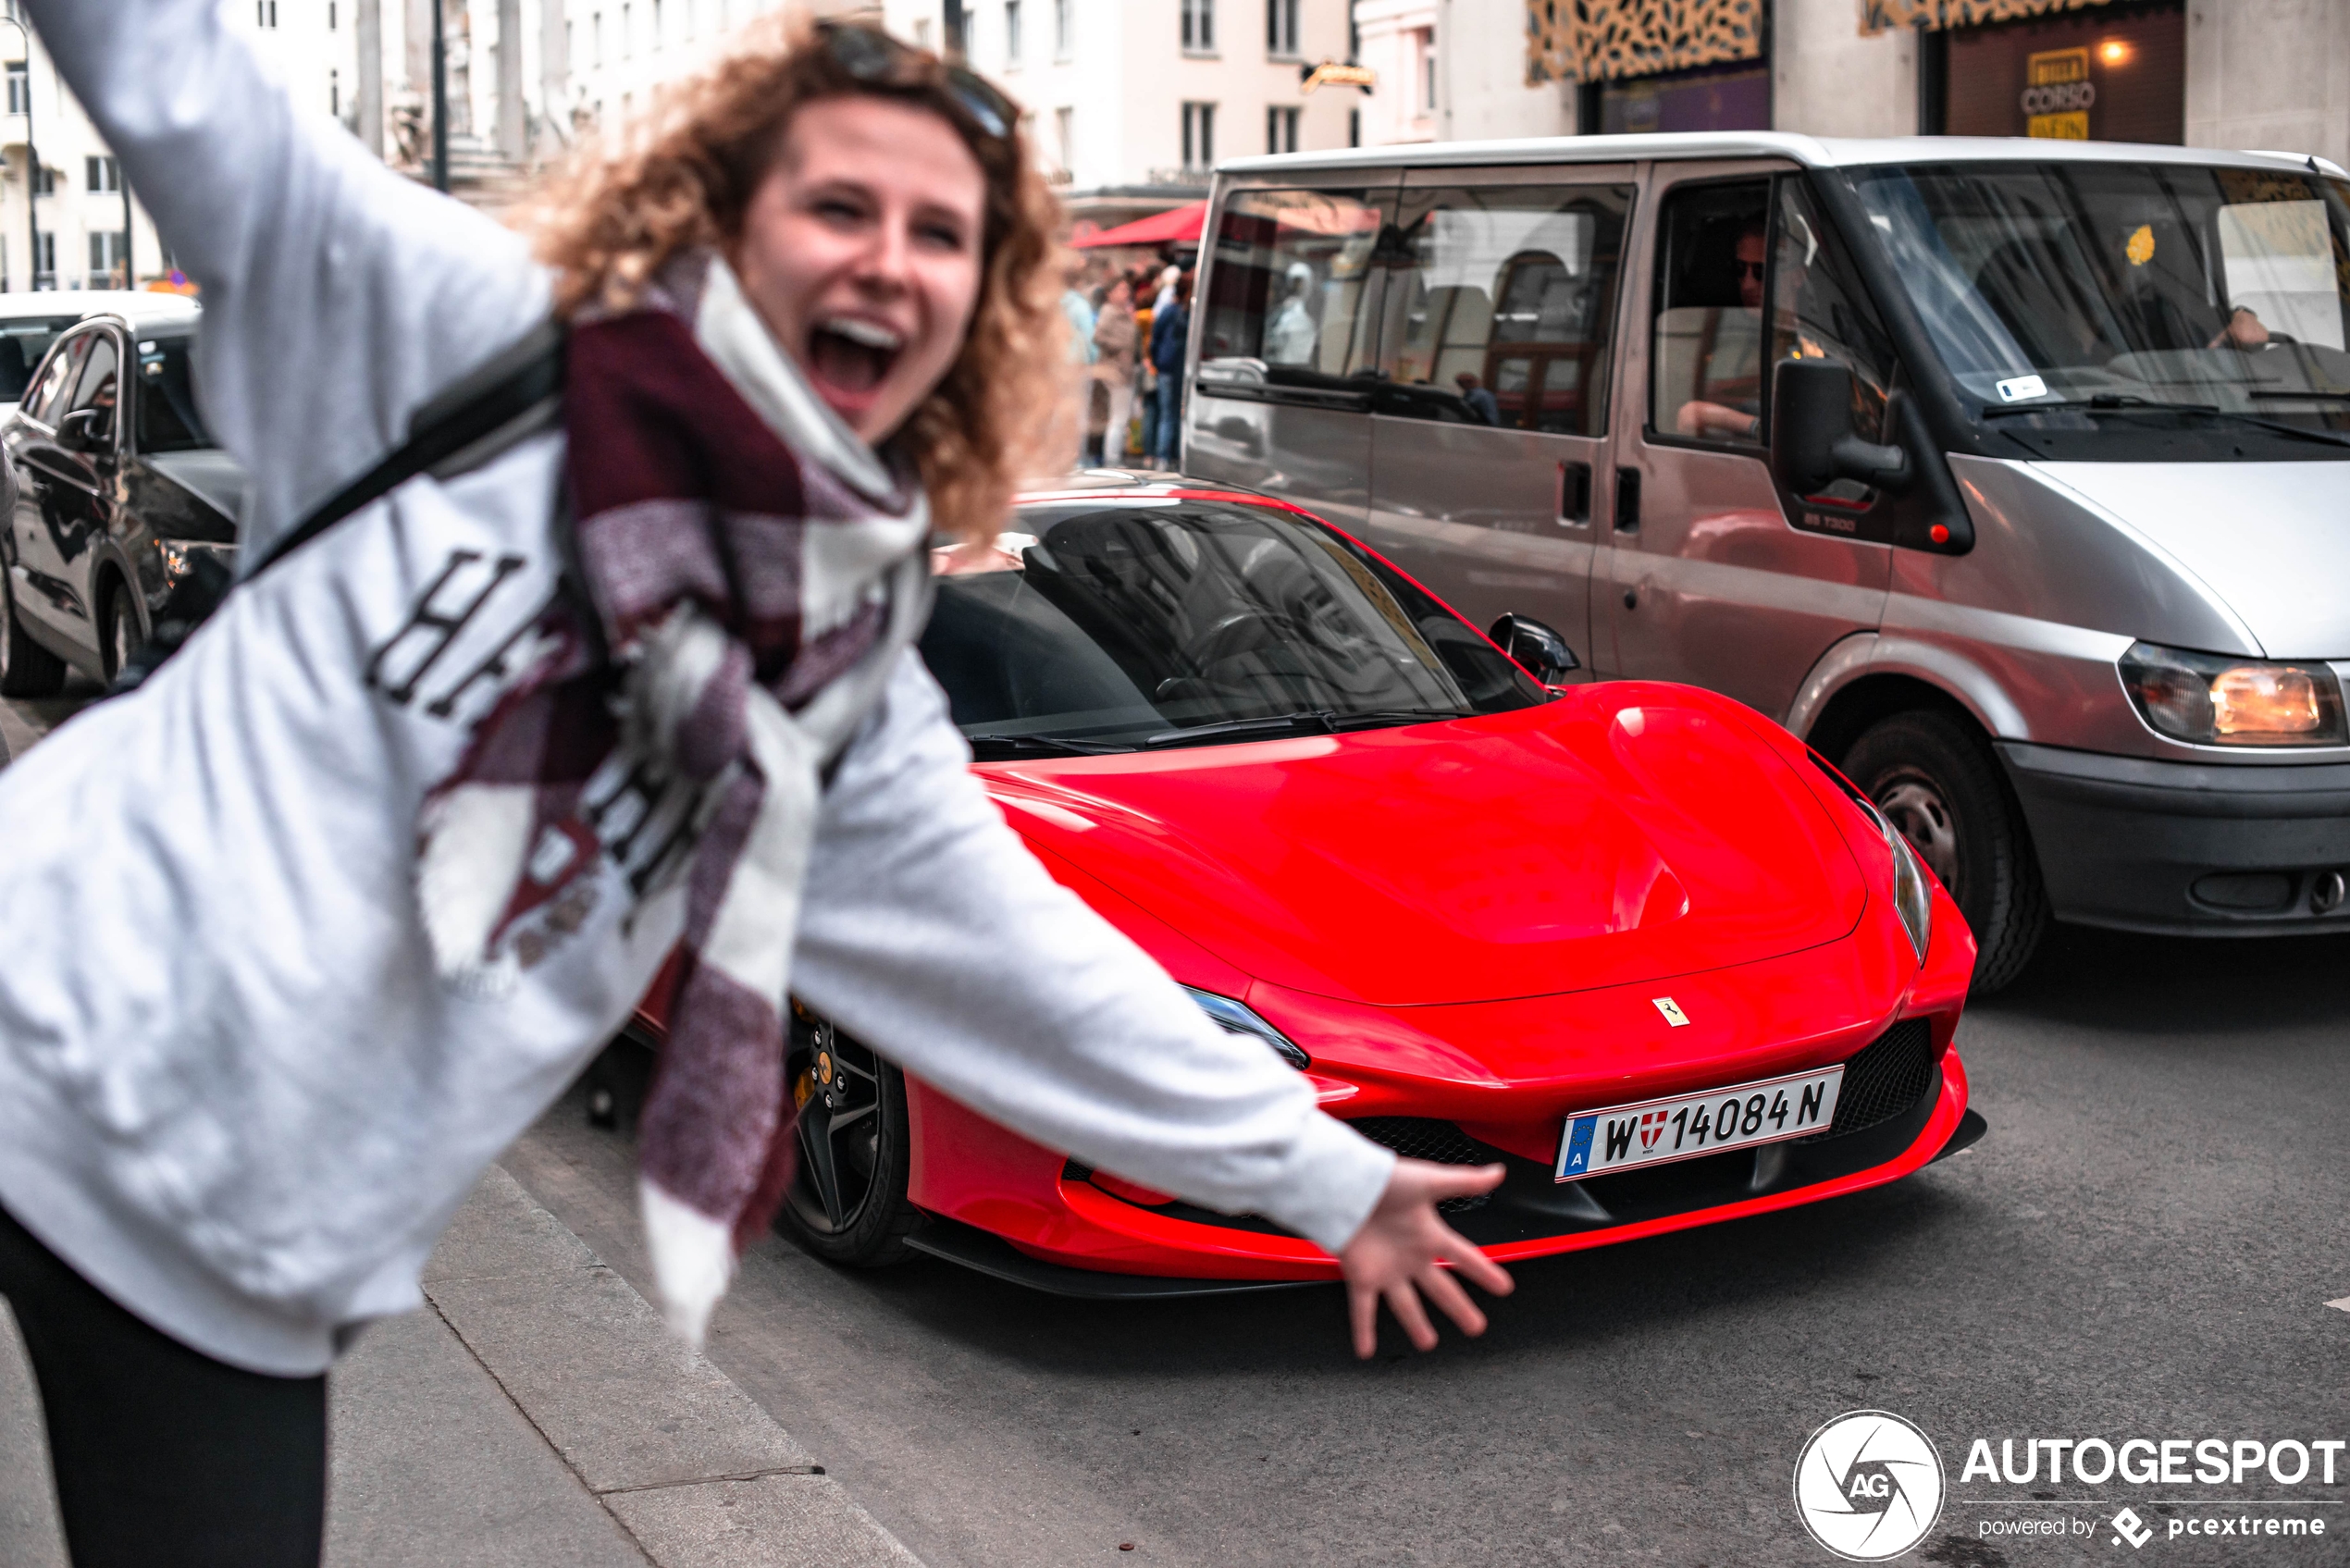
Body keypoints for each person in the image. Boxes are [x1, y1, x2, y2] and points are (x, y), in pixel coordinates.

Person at [0, 8, 1509, 1565]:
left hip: (225, 1252)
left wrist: (1324, 1176)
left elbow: (1033, 975)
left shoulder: (841, 674)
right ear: (720, 222)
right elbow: (187, 79)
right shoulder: (472, 328)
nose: (890, 260)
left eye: (944, 236)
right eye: (840, 206)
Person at [1674, 219, 1767, 439]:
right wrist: (1757, 427)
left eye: (1761, 271)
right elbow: (1687, 417)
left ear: (1799, 275)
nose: (1747, 284)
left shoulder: (1815, 340)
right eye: (1740, 269)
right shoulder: (1724, 331)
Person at [1092, 275, 1138, 464]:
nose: (1126, 293)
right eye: (1121, 289)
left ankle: (1113, 456)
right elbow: (1098, 337)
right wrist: (1119, 346)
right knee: (1117, 418)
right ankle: (1112, 459)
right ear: (1110, 293)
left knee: (1120, 418)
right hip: (1115, 371)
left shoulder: (1124, 312)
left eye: (1127, 289)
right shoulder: (1109, 312)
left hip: (1125, 370)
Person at [1149, 269, 1193, 467]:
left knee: (1170, 414)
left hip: (1172, 368)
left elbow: (1155, 339)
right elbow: (1155, 338)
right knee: (1169, 414)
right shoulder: (1176, 312)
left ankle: (1166, 456)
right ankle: (1164, 456)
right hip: (1171, 369)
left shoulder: (1177, 312)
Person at [1266, 260, 1318, 365]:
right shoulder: (1282, 311)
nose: (1296, 288)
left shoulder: (1302, 321)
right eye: (1294, 282)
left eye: (1299, 283)